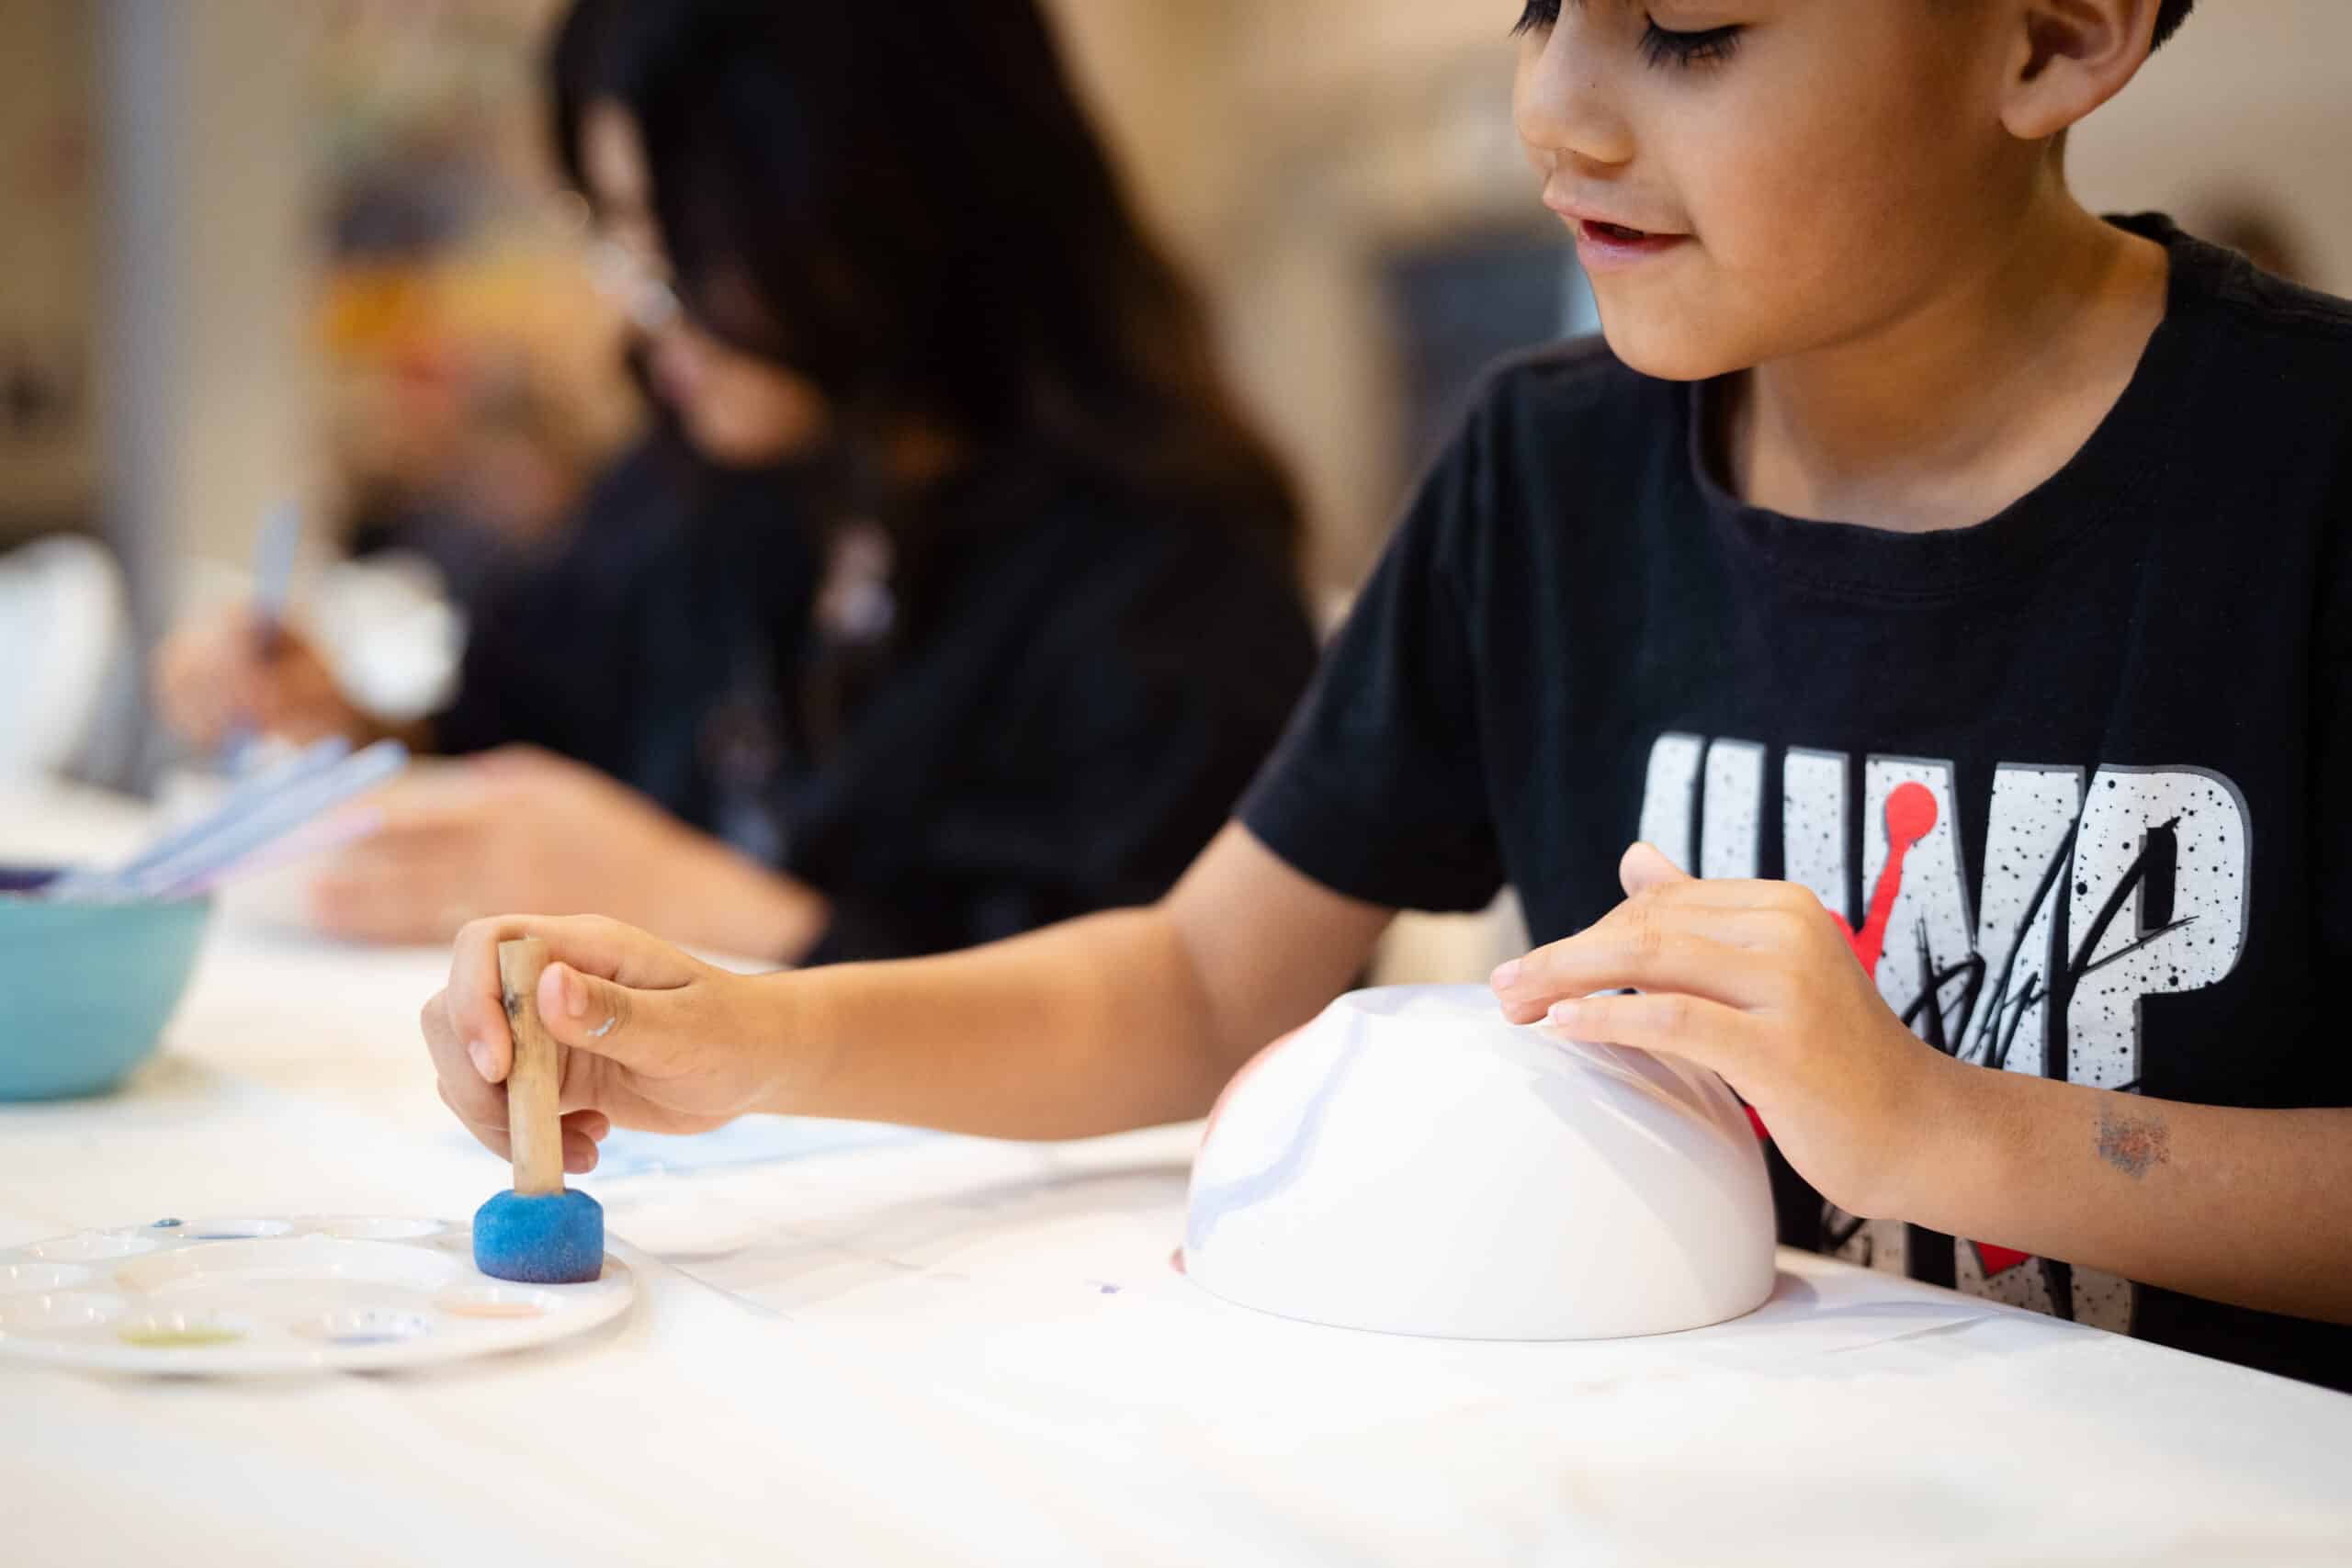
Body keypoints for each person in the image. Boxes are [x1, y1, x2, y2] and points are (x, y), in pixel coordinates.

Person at [421, 0, 2352, 1390]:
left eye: (1687, 32)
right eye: (1537, 8)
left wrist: (1939, 1130)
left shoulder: (2307, 475)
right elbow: (1202, 984)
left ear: (2052, 36)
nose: (1557, 114)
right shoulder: (1543, 473)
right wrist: (756, 1034)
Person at [155, 0, 1316, 962]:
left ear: (882, 205)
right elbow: (518, 731)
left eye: (685, 247)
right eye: (617, 234)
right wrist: (348, 730)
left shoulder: (1167, 579)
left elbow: (1181, 1009)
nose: (641, 303)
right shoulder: (703, 484)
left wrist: (704, 905)